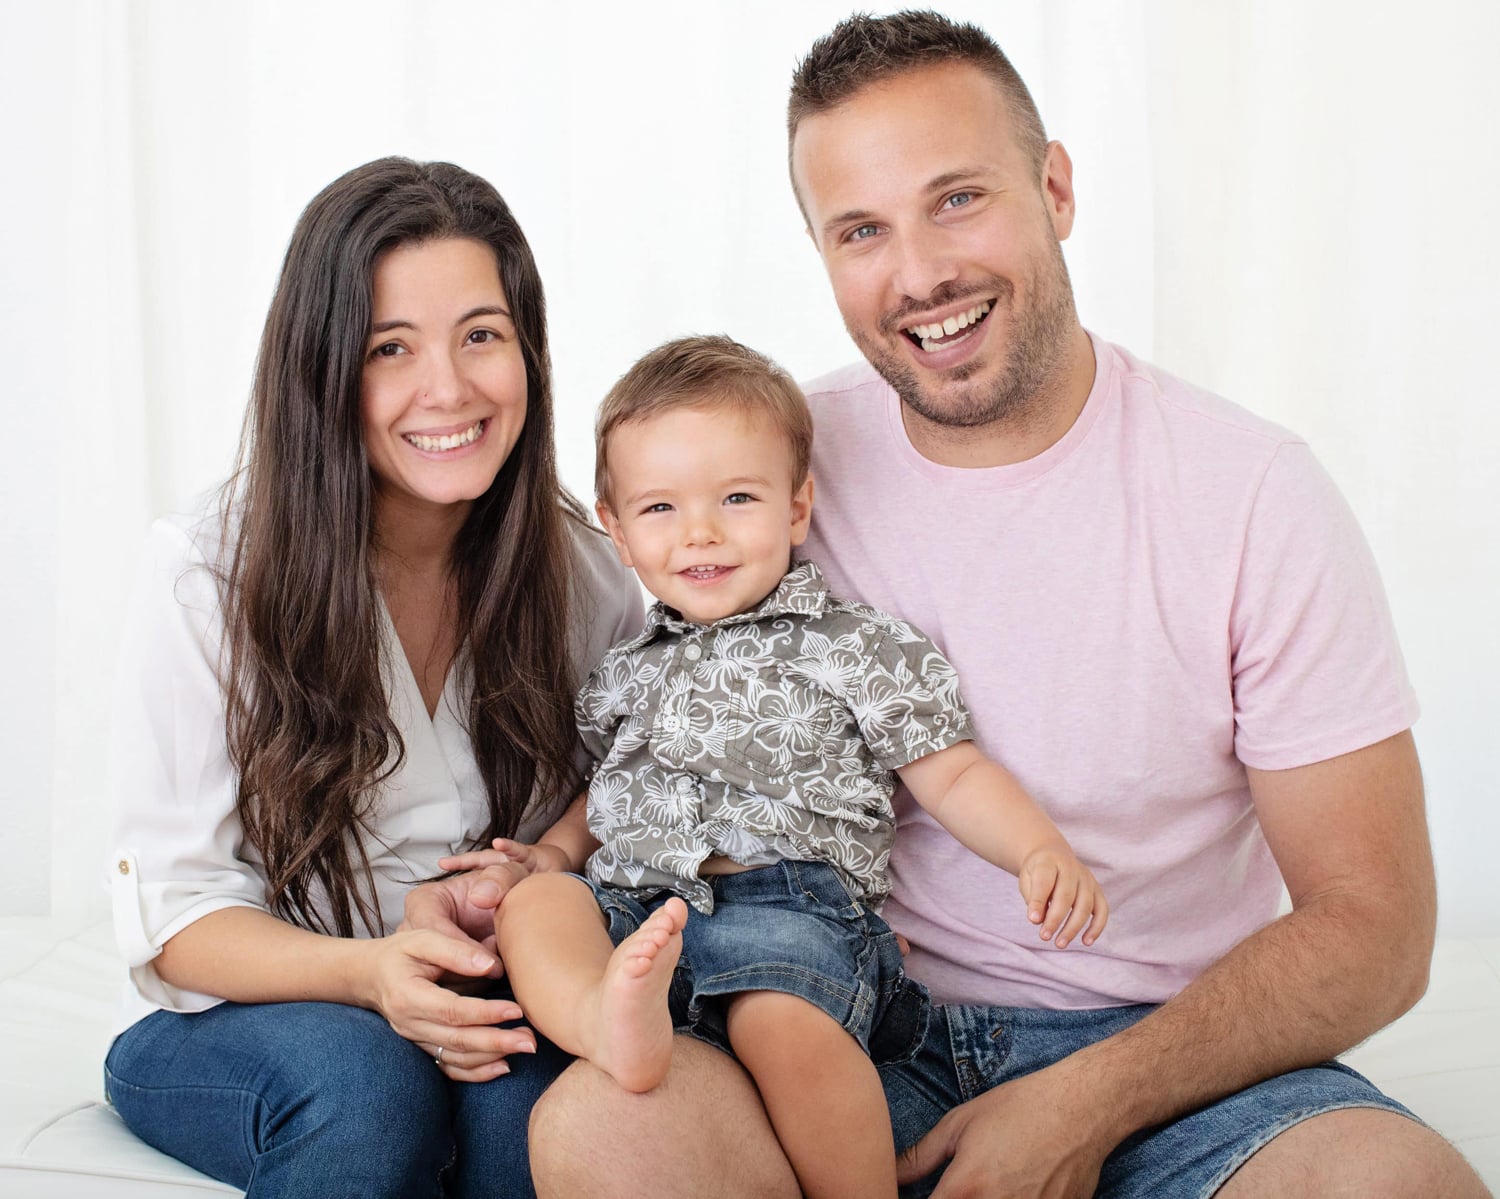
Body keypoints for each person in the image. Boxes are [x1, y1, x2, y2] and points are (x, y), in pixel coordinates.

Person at [522, 13, 1492, 1199]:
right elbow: (634, 677)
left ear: (1056, 187)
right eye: (862, 229)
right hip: (854, 1021)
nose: (921, 273)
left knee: (1395, 1183)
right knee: (601, 1132)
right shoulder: (764, 471)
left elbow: (1378, 924)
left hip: (1173, 1053)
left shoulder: (1250, 494)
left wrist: (1093, 1097)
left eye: (958, 199)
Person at [439, 333, 1105, 1199]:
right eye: (660, 509)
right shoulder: (625, 668)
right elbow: (603, 789)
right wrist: (554, 858)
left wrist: (1035, 849)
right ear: (617, 530)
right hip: (635, 908)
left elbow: (953, 773)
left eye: (738, 498)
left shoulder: (852, 646)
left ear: (797, 509)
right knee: (535, 906)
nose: (701, 533)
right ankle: (604, 1023)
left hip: (785, 905)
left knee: (782, 1025)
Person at [103, 157, 641, 1199]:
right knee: (369, 1083)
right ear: (324, 367)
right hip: (249, 1018)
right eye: (390, 347)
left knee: (528, 1100)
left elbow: (634, 776)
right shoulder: (207, 571)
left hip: (478, 993)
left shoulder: (585, 571)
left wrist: (544, 867)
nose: (449, 388)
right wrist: (368, 973)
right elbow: (179, 920)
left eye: (481, 334)